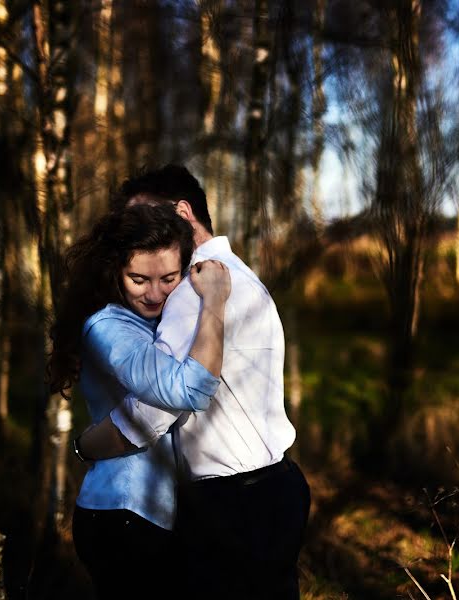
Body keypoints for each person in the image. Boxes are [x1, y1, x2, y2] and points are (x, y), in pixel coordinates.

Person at [78, 164, 311, 599]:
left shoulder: (193, 292)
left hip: (231, 503)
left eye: (146, 220)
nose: (138, 236)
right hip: (278, 486)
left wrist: (86, 446)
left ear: (182, 213)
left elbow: (148, 417)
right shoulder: (241, 274)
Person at [47, 203, 231, 598]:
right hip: (121, 515)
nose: (154, 294)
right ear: (114, 271)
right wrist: (214, 302)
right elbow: (192, 389)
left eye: (169, 278)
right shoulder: (109, 327)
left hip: (146, 514)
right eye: (138, 279)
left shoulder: (151, 321)